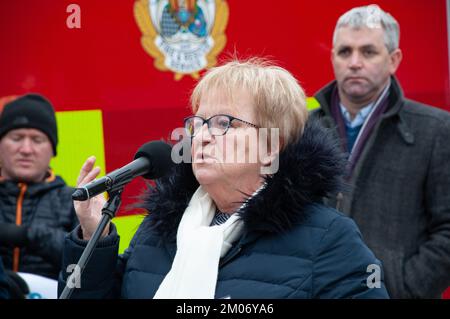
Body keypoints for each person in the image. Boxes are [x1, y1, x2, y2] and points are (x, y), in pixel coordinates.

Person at [59, 59, 389, 299]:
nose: (202, 136)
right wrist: (93, 234)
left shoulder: (328, 238)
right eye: (197, 123)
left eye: (223, 123)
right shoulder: (158, 230)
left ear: (271, 148)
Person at [311, 5, 450, 298]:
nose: (355, 62)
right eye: (345, 52)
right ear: (333, 57)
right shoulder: (303, 129)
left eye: (368, 52)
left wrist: (404, 288)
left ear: (393, 59)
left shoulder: (436, 129)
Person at [0, 94, 78, 280]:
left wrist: (27, 235)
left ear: (53, 150)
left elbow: (90, 265)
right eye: (17, 138)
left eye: (37, 140)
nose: (26, 149)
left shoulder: (75, 201)